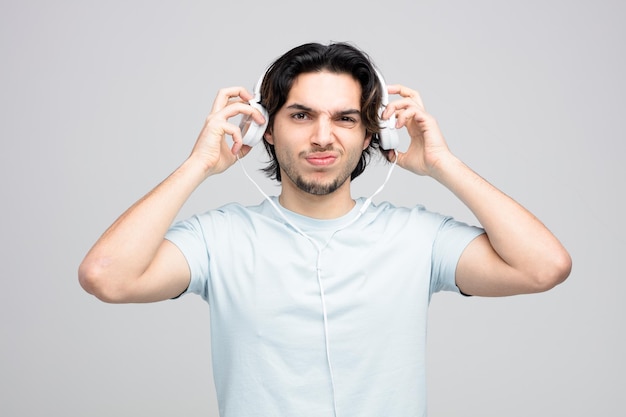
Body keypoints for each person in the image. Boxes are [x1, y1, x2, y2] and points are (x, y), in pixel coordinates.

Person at [78, 42, 572, 416]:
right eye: (301, 115)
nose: (322, 137)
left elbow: (544, 267)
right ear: (265, 129)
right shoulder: (219, 238)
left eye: (345, 118)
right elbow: (106, 276)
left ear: (371, 133)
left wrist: (443, 164)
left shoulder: (418, 238)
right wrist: (199, 164)